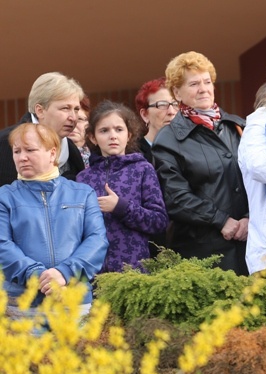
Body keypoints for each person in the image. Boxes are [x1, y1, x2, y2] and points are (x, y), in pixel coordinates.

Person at [152, 51, 249, 275]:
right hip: (202, 253)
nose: (203, 88)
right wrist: (221, 220)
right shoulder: (168, 139)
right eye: (194, 84)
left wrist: (248, 218)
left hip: (249, 245)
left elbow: (257, 179)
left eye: (207, 82)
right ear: (177, 92)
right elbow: (175, 197)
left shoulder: (239, 127)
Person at [0, 123, 107, 316]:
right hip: (22, 304)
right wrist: (40, 276)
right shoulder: (4, 196)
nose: (22, 157)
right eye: (17, 151)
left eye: (30, 150)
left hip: (74, 299)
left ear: (52, 153)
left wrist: (64, 273)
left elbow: (97, 240)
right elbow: (2, 245)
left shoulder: (82, 193)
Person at [77, 101, 168, 273]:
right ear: (92, 138)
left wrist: (120, 207)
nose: (113, 136)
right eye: (104, 130)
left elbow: (159, 221)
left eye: (119, 129)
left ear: (129, 135)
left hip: (133, 273)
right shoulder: (83, 178)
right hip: (93, 274)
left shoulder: (143, 169)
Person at [0, 72, 86, 187]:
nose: (73, 117)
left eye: (76, 109)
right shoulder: (5, 142)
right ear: (40, 111)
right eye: (65, 108)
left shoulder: (72, 150)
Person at [135, 78, 179, 164]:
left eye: (175, 104)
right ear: (145, 115)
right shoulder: (133, 155)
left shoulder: (190, 148)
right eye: (162, 105)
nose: (171, 112)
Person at [68, 96, 91, 168]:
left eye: (80, 119)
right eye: (69, 119)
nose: (74, 125)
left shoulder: (99, 155)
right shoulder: (52, 154)